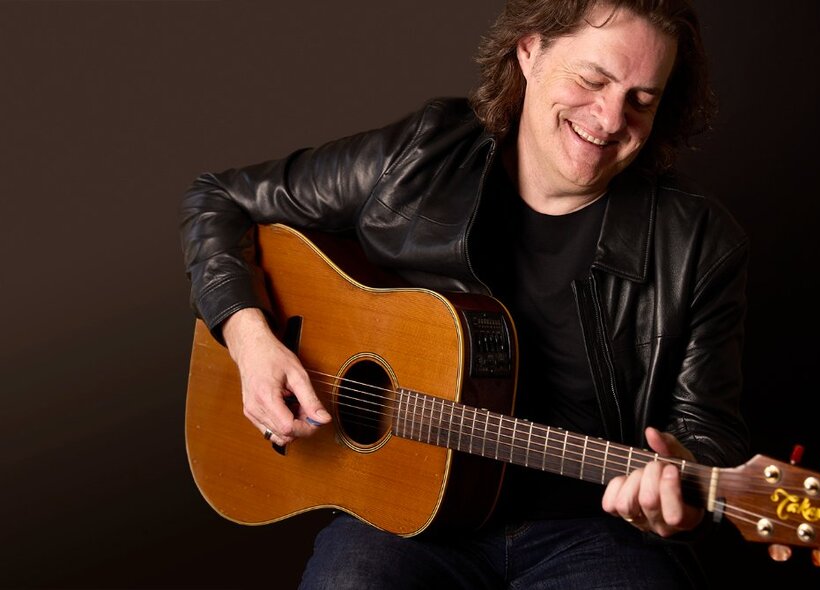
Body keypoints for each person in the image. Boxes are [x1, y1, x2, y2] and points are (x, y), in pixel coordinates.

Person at [180, 0, 749, 587]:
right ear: (530, 52)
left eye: (642, 100)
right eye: (592, 79)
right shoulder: (422, 155)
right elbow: (218, 199)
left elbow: (709, 433)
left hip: (592, 528)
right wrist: (249, 337)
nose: (609, 119)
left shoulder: (700, 244)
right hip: (403, 509)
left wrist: (680, 481)